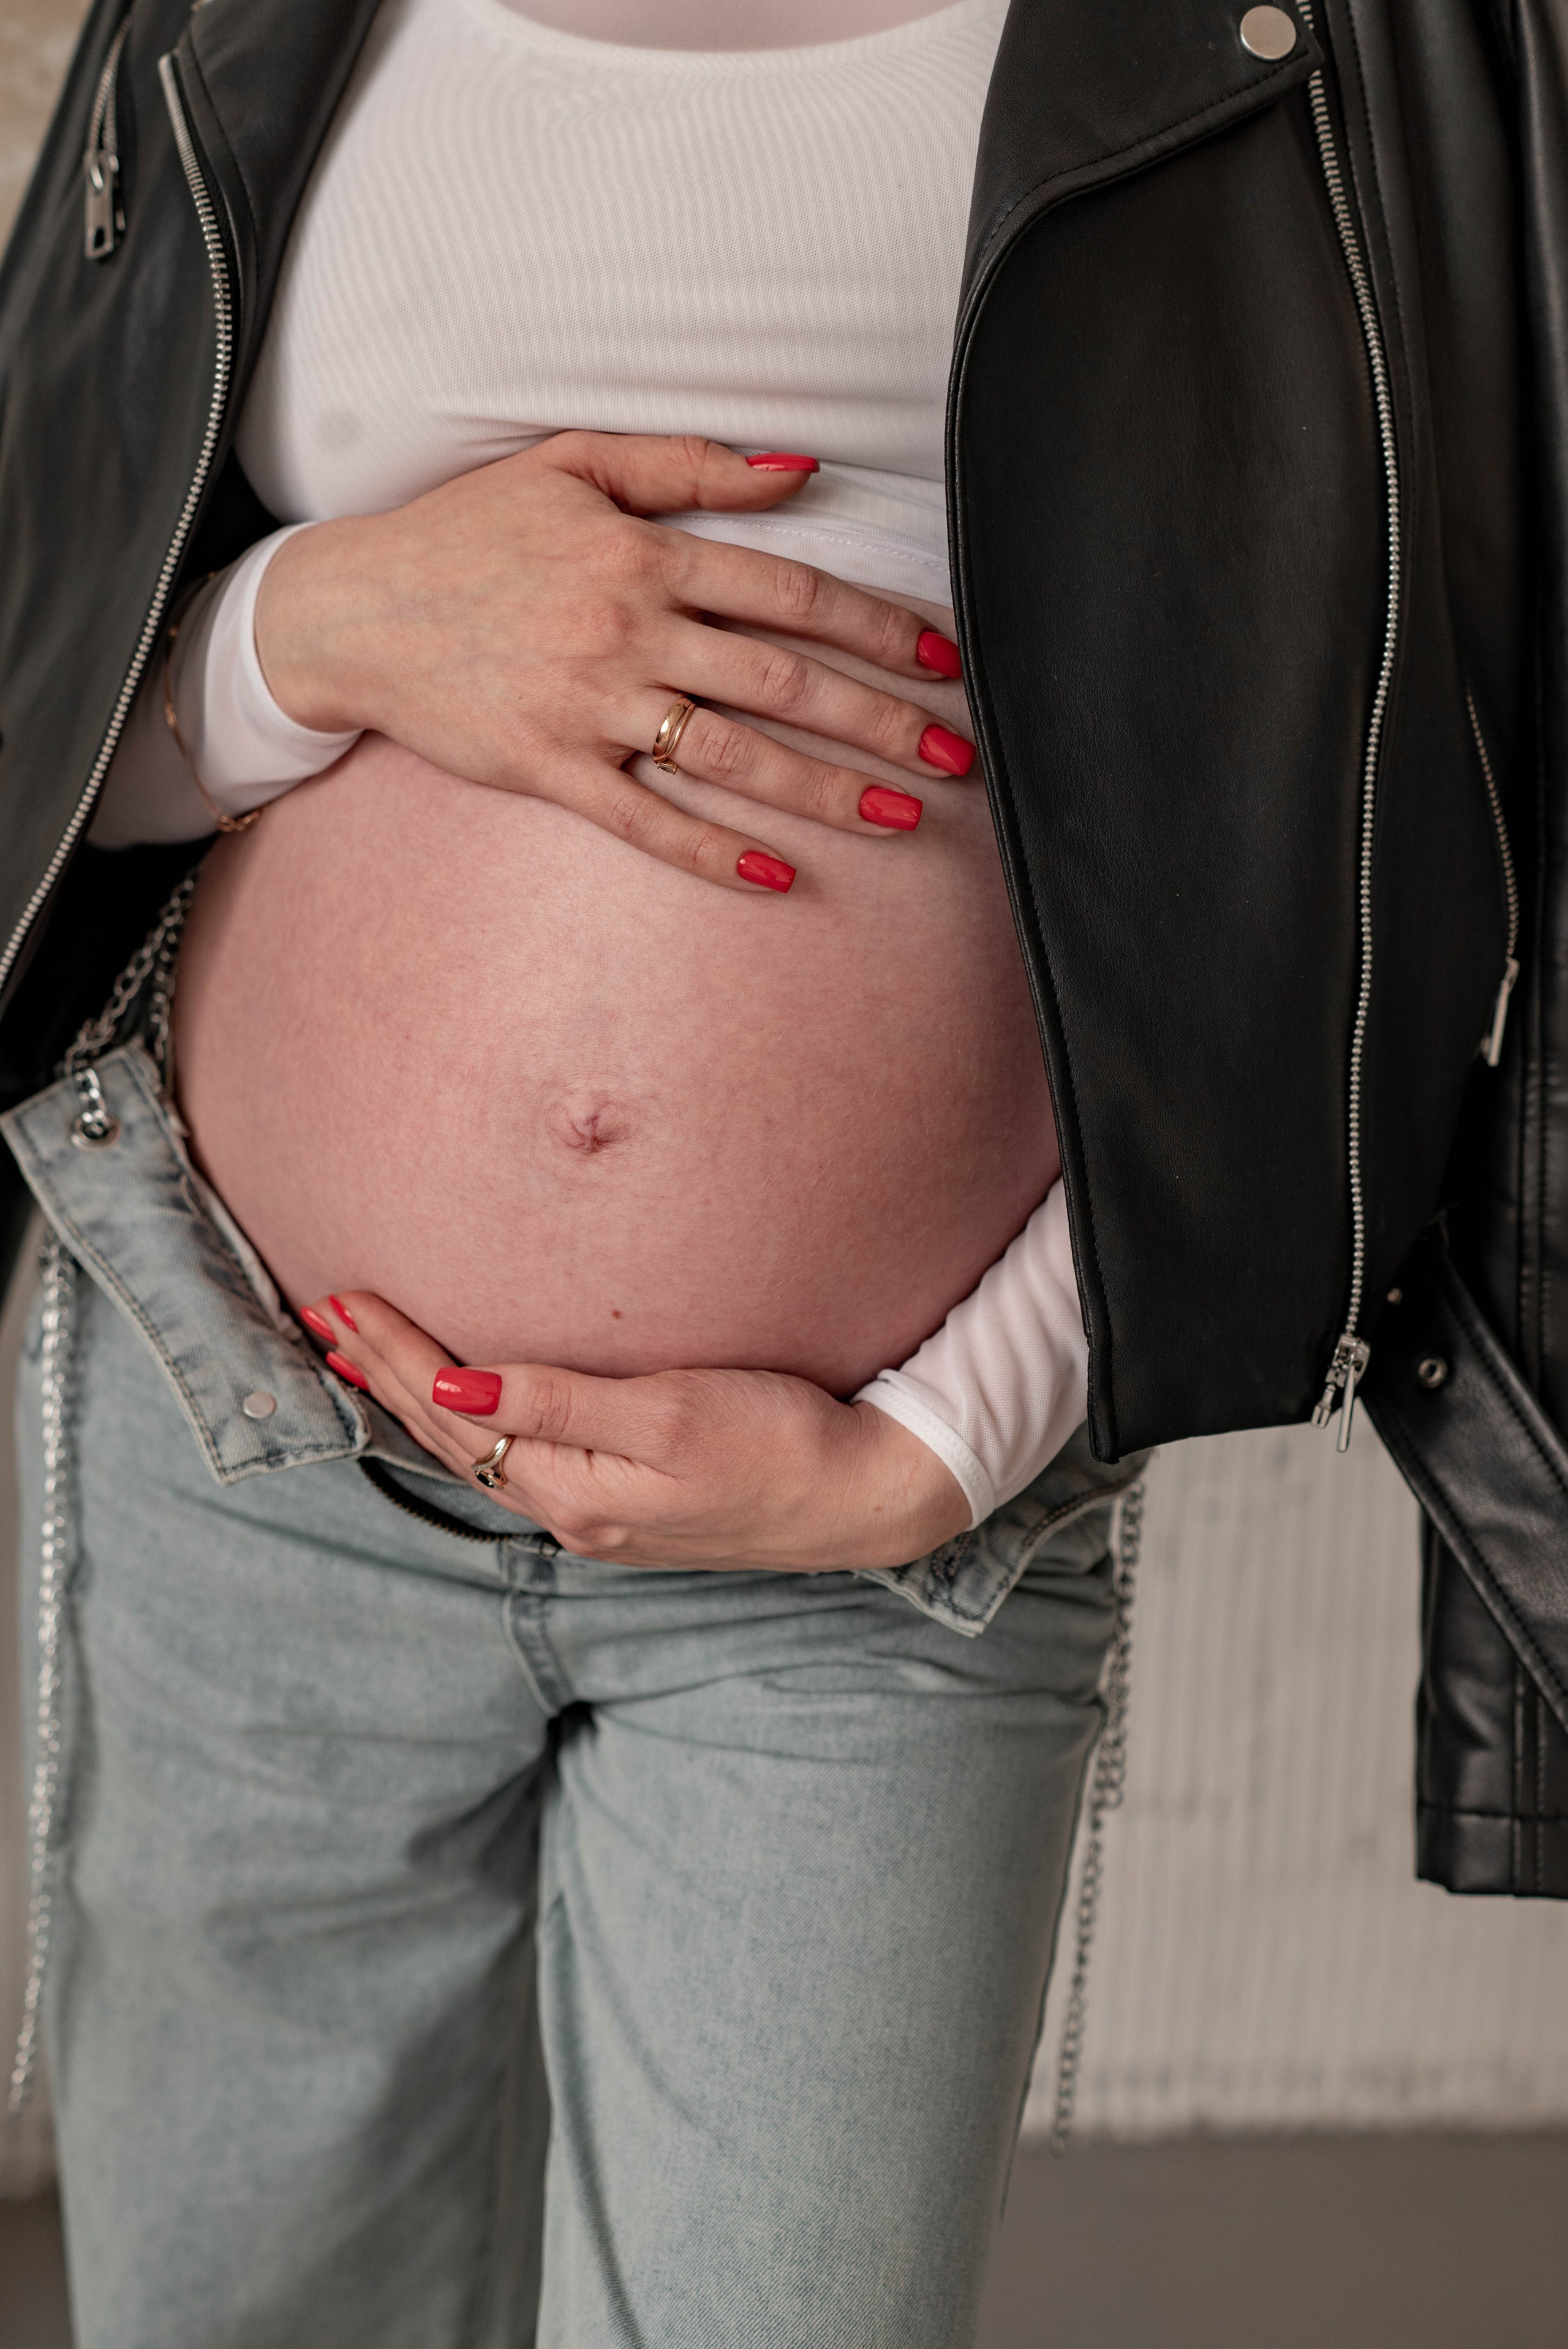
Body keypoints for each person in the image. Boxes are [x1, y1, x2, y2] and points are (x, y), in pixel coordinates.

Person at [0, 0, 1524, 2340]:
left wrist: (951, 1433)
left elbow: (1426, 795)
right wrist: (325, 627)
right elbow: (34, 701)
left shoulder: (1343, 36)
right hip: (254, 1435)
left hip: (881, 1555)